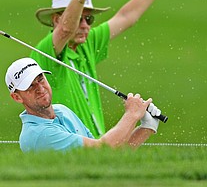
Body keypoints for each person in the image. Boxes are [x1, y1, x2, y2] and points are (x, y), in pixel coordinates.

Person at [30, 0, 186, 138]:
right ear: (56, 19)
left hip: (95, 148)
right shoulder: (46, 51)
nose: (85, 25)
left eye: (89, 18)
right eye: (79, 18)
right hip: (72, 150)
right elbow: (65, 30)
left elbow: (126, 17)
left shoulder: (87, 42)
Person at [5, 57, 161, 153]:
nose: (40, 88)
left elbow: (109, 157)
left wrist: (146, 127)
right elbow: (102, 151)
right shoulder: (38, 135)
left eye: (40, 79)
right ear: (17, 97)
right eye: (30, 86)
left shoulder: (62, 111)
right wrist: (131, 115)